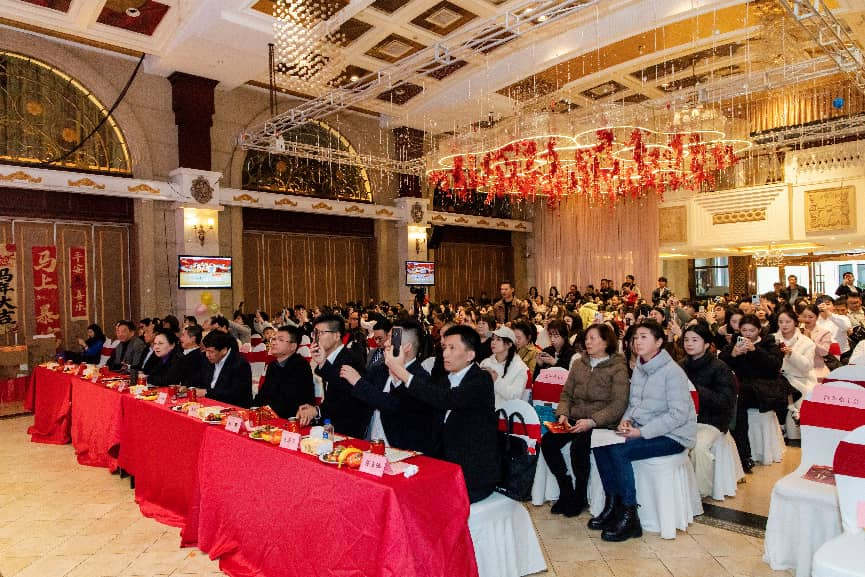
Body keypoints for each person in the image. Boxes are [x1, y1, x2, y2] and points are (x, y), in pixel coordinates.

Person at [589, 320, 696, 542]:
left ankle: (630, 515)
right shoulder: (640, 367)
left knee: (619, 451)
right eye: (636, 337)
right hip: (644, 428)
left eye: (644, 337)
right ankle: (613, 504)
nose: (637, 341)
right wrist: (627, 421)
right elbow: (634, 403)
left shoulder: (672, 372)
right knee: (600, 445)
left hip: (674, 435)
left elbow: (678, 415)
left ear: (659, 342)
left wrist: (641, 432)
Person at [386, 324, 499, 503]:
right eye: (445, 347)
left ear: (470, 355)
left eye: (452, 348)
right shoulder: (444, 380)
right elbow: (419, 400)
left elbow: (447, 399)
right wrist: (396, 377)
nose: (445, 353)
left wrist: (401, 371)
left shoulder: (481, 380)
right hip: (443, 464)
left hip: (473, 473)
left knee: (430, 504)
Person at [542, 323, 629, 517]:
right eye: (587, 338)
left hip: (600, 422)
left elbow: (619, 404)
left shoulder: (617, 367)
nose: (587, 342)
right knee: (548, 442)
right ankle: (566, 489)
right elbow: (566, 394)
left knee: (578, 448)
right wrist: (563, 414)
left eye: (593, 338)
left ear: (605, 342)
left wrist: (592, 421)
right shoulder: (579, 363)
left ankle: (580, 495)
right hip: (575, 417)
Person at [344, 320, 441, 454]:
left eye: (391, 338)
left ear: (406, 347)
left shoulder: (420, 379)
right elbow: (355, 390)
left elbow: (392, 404)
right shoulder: (380, 370)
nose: (386, 343)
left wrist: (358, 382)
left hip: (402, 452)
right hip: (371, 445)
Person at [719, 314, 783, 473]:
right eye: (744, 330)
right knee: (734, 401)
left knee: (738, 402)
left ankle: (744, 456)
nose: (747, 334)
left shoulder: (768, 343)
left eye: (752, 330)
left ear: (759, 330)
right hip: (742, 390)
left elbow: (774, 367)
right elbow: (721, 363)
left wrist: (755, 351)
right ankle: (739, 452)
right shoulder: (735, 343)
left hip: (765, 389)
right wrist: (733, 354)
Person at [681, 323, 736, 498]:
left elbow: (725, 401)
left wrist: (696, 390)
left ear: (706, 344)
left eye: (695, 340)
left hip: (712, 420)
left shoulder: (719, 367)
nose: (689, 344)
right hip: (684, 419)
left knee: (698, 446)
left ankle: (699, 492)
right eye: (686, 340)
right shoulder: (680, 366)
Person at [296, 313, 370, 438]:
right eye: (315, 333)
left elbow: (348, 399)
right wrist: (316, 410)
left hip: (348, 431)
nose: (316, 338)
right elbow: (332, 399)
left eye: (321, 333)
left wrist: (317, 411)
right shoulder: (329, 358)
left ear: (337, 336)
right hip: (331, 426)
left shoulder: (350, 359)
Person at [253, 325, 315, 419]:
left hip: (291, 419)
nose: (274, 343)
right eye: (274, 339)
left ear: (292, 346)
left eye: (280, 340)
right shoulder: (272, 365)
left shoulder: (301, 366)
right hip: (269, 416)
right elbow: (263, 394)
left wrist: (263, 414)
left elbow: (288, 401)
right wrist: (253, 409)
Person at [775, 308, 816, 423]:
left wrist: (792, 354)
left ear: (795, 322)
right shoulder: (772, 339)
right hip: (777, 381)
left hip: (800, 381)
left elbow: (807, 366)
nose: (784, 325)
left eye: (788, 322)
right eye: (781, 322)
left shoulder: (806, 342)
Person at [479, 326, 529, 409]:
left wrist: (496, 380)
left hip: (505, 413)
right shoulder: (486, 363)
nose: (493, 342)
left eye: (498, 339)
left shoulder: (520, 368)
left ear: (509, 344)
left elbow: (515, 396)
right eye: (493, 339)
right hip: (483, 411)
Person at [201, 330, 253, 408]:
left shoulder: (240, 364)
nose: (207, 355)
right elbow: (201, 380)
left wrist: (207, 393)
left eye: (211, 352)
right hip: (210, 404)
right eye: (206, 351)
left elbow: (235, 394)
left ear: (224, 350)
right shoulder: (209, 359)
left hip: (233, 408)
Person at [799, 303, 834, 380]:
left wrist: (811, 341)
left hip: (817, 368)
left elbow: (824, 352)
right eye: (804, 316)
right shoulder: (796, 331)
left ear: (817, 317)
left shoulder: (825, 332)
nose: (807, 319)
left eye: (810, 317)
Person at [179, 324, 208, 389]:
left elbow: (193, 380)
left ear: (193, 339)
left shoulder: (198, 357)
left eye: (183, 335)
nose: (180, 338)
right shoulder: (180, 352)